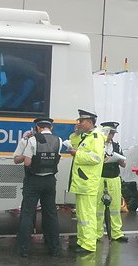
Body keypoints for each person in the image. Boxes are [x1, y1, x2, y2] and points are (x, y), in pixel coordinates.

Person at [15, 118, 61, 257]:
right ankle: (54, 248)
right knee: (51, 214)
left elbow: (28, 162)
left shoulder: (33, 140)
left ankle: (24, 249)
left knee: (28, 214)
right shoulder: (58, 140)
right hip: (50, 181)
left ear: (37, 127)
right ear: (50, 127)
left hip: (34, 180)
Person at [67, 109, 105, 254]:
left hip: (88, 182)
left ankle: (89, 244)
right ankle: (82, 241)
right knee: (82, 215)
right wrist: (76, 133)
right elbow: (74, 143)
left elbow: (95, 158)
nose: (79, 123)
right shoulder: (87, 136)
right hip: (82, 181)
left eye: (81, 121)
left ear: (90, 122)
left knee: (88, 214)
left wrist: (78, 154)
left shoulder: (96, 137)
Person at [97, 121, 128, 243]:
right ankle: (97, 234)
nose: (112, 136)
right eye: (110, 133)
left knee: (115, 207)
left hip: (114, 177)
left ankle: (116, 233)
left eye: (113, 133)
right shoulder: (97, 144)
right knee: (98, 208)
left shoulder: (116, 146)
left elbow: (124, 163)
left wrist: (119, 159)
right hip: (100, 177)